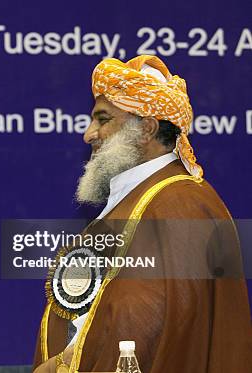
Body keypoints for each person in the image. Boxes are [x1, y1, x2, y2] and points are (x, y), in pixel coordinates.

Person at [32, 55, 251, 372]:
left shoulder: (182, 204)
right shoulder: (141, 197)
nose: (89, 134)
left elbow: (143, 318)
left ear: (146, 128)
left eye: (103, 120)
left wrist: (65, 364)